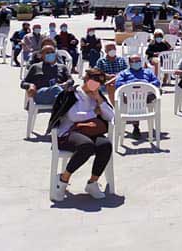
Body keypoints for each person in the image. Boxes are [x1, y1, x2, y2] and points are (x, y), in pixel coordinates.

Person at [48, 69, 114, 202]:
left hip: (91, 131)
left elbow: (111, 116)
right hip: (68, 133)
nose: (96, 85)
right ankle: (63, 180)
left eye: (99, 83)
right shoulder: (72, 94)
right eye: (94, 81)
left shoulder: (97, 96)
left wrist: (99, 100)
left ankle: (92, 183)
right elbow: (73, 116)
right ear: (86, 79)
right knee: (86, 146)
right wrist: (95, 114)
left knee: (105, 145)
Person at [114, 54, 161, 138]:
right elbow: (118, 84)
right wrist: (133, 85)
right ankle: (136, 127)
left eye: (138, 61)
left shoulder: (148, 72)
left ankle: (137, 124)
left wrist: (146, 85)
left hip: (146, 95)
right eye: (134, 61)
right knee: (134, 99)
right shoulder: (124, 73)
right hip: (130, 96)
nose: (137, 63)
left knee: (155, 93)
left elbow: (157, 82)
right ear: (130, 63)